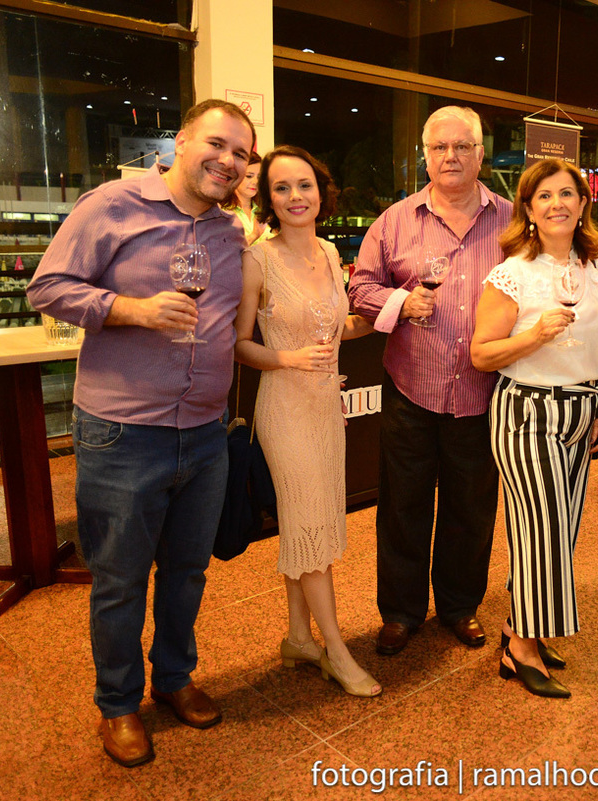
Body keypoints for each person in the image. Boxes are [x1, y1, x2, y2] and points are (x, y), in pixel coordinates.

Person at [26, 99, 256, 768]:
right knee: (121, 581)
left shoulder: (230, 232)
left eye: (241, 153)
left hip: (205, 432)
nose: (228, 161)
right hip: (122, 432)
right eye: (217, 144)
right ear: (181, 142)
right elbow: (47, 288)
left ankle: (175, 677)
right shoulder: (111, 205)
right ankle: (118, 703)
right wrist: (131, 309)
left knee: (187, 572)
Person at [348, 106, 513, 656]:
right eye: (440, 147)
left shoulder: (514, 222)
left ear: (480, 154)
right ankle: (400, 612)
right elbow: (360, 288)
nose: (451, 156)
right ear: (425, 155)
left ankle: (460, 606)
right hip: (411, 388)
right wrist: (401, 301)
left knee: (472, 507)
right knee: (403, 506)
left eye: (462, 146)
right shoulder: (394, 221)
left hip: (484, 392)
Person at [233, 145, 380, 697]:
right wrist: (288, 358)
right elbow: (240, 344)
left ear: (321, 192)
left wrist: (388, 314)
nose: (295, 196)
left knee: (304, 526)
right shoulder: (257, 260)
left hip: (324, 406)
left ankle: (298, 636)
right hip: (285, 409)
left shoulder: (328, 251)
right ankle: (336, 651)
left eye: (304, 185)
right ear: (268, 200)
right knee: (312, 530)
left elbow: (338, 329)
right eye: (281, 188)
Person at [470, 159, 598, 699]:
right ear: (529, 210)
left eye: (567, 194)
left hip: (585, 410)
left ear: (583, 203)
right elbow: (481, 354)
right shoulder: (512, 273)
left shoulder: (596, 269)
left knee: (561, 531)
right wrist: (534, 336)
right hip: (528, 414)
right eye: (545, 196)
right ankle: (522, 649)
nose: (557, 204)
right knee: (544, 531)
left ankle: (519, 626)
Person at [222, 151, 268, 245]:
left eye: (259, 177)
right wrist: (254, 235)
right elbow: (224, 250)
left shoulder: (264, 210)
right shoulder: (222, 212)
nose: (255, 182)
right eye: (249, 176)